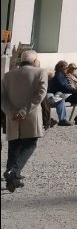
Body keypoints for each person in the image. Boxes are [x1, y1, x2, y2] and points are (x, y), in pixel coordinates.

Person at [1, 49, 49, 193]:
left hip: (12, 116)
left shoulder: (8, 75)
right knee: (30, 144)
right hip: (30, 115)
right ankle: (13, 171)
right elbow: (41, 94)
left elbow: (2, 98)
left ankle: (12, 178)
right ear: (35, 61)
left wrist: (11, 112)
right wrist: (24, 111)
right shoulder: (40, 72)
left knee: (14, 145)